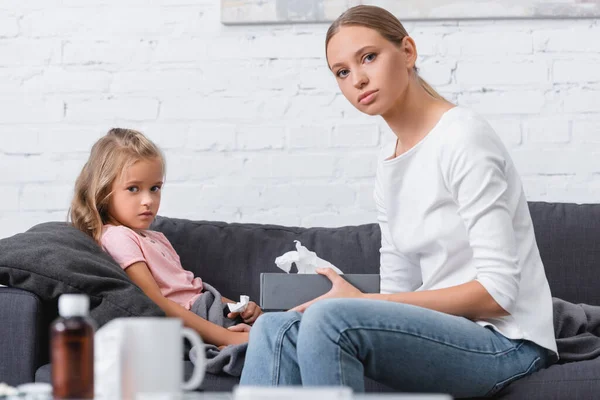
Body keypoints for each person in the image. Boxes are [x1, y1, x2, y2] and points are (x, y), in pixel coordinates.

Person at [240, 5, 557, 397]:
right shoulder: (389, 162)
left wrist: (361, 303)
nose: (358, 79)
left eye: (369, 57)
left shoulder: (463, 138)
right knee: (275, 327)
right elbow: (395, 289)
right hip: (443, 334)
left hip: (508, 342)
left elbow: (499, 294)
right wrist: (364, 302)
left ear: (408, 51)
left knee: (329, 318)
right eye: (342, 72)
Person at [70, 128, 261, 347]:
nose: (148, 200)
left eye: (155, 188)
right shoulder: (118, 237)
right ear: (104, 192)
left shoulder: (156, 237)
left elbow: (190, 289)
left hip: (212, 308)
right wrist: (229, 338)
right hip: (195, 321)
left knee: (279, 328)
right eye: (133, 189)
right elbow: (156, 302)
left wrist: (240, 306)